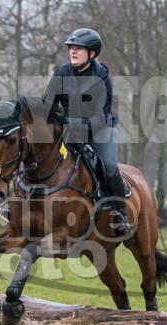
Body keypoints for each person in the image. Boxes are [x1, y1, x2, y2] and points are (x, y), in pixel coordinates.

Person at [43, 28, 132, 236]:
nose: (73, 52)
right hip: (69, 131)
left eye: (78, 49)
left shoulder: (100, 74)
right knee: (39, 154)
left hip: (100, 130)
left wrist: (71, 124)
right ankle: (18, 202)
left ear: (91, 53)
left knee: (109, 165)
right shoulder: (62, 72)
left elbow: (100, 116)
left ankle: (121, 214)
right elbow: (48, 104)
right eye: (71, 48)